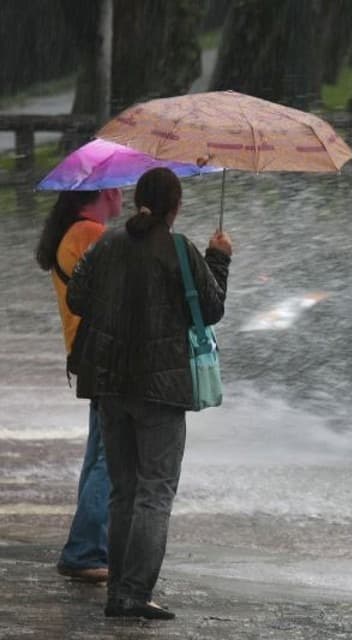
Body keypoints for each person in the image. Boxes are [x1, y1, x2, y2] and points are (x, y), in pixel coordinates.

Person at [66, 167, 233, 620]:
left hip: (110, 386)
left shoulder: (107, 244)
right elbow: (211, 309)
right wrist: (219, 259)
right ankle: (134, 594)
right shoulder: (179, 249)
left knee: (123, 491)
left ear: (138, 198)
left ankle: (118, 592)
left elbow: (78, 299)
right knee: (155, 493)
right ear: (175, 207)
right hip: (161, 391)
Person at [35, 187, 124, 583]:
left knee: (99, 454)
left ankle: (85, 547)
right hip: (106, 354)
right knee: (112, 457)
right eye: (120, 190)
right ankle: (85, 550)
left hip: (88, 355)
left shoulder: (73, 233)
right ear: (106, 191)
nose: (123, 196)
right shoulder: (91, 234)